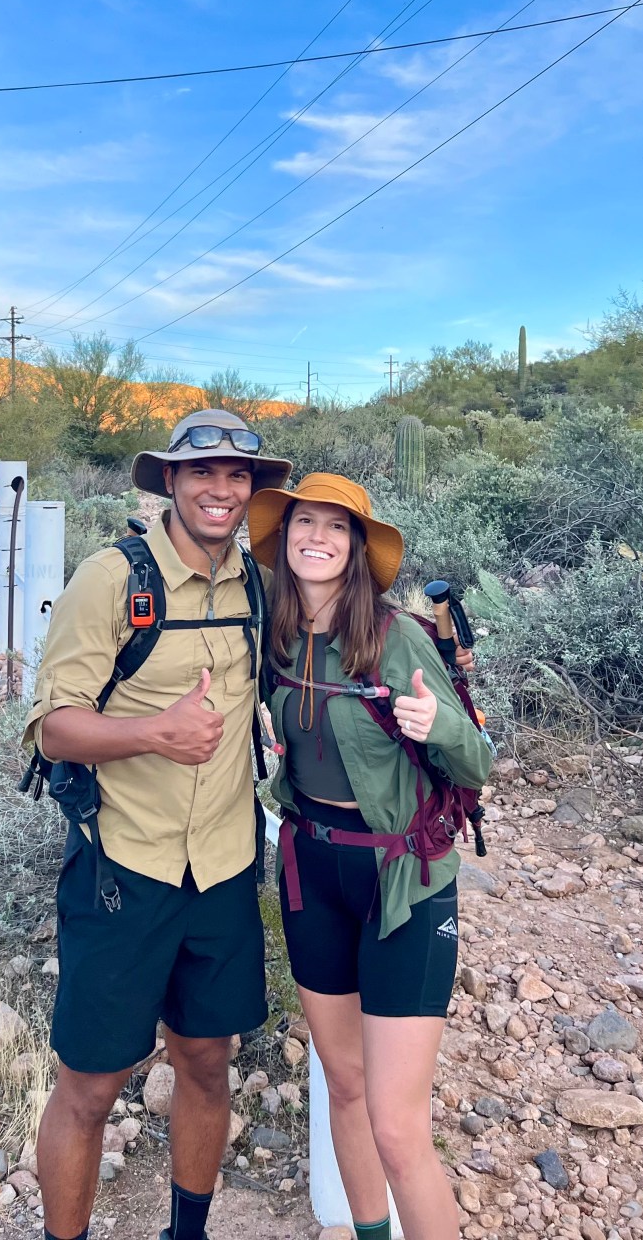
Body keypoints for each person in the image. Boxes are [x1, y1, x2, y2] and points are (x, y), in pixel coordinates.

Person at [22, 409, 292, 1240]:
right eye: (202, 472)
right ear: (168, 482)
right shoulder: (114, 579)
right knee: (91, 1087)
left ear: (252, 491)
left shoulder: (254, 583)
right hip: (122, 872)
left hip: (221, 870)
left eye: (237, 476)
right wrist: (153, 733)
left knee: (208, 1064)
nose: (220, 489)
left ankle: (188, 1233)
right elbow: (52, 726)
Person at [248, 472, 494, 1240]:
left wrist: (438, 726)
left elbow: (477, 763)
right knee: (345, 1090)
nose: (316, 538)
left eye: (334, 527)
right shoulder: (275, 636)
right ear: (284, 542)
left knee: (396, 1126)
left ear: (357, 547)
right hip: (311, 871)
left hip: (404, 882)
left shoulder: (396, 638)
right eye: (303, 524)